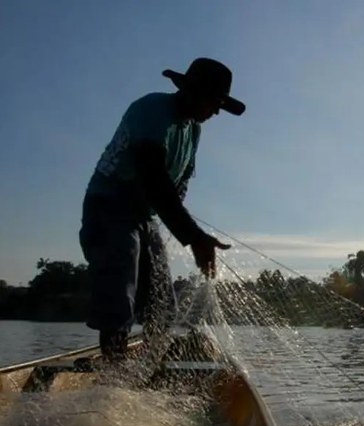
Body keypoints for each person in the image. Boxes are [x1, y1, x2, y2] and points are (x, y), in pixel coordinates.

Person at [79, 58, 244, 360]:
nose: (216, 111)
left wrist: (185, 228)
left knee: (161, 303)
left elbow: (176, 187)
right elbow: (154, 178)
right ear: (192, 92)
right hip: (109, 206)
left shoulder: (193, 130)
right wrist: (193, 236)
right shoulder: (153, 110)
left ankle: (151, 366)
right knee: (119, 292)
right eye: (214, 102)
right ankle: (113, 377)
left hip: (144, 216)